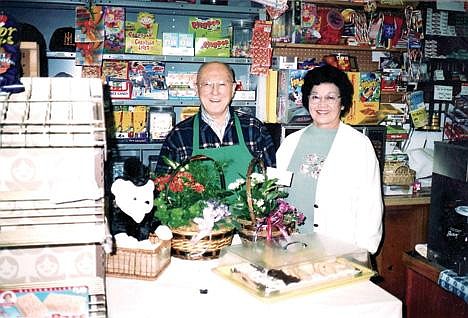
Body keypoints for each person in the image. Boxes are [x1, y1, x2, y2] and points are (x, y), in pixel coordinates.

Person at [276, 65, 383, 254]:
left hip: (341, 249)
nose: (321, 104)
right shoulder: (289, 143)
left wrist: (362, 253)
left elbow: (371, 205)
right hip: (292, 246)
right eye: (315, 96)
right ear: (306, 100)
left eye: (330, 97)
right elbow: (278, 195)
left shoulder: (359, 145)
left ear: (342, 103)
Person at [155, 61, 276, 185]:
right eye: (207, 84)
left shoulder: (254, 129)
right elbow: (162, 188)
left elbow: (272, 183)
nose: (215, 92)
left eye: (222, 84)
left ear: (234, 88)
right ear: (197, 89)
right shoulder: (179, 135)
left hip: (250, 205)